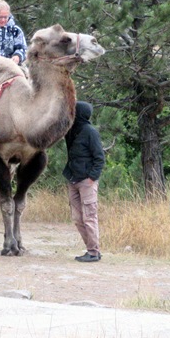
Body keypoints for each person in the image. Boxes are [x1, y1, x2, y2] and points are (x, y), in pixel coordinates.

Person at [63, 101, 106, 263]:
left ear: (79, 113)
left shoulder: (90, 132)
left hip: (86, 181)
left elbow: (99, 158)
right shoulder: (71, 131)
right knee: (77, 218)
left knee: (89, 217)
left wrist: (91, 179)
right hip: (73, 179)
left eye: (74, 111)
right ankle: (91, 249)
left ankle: (93, 252)